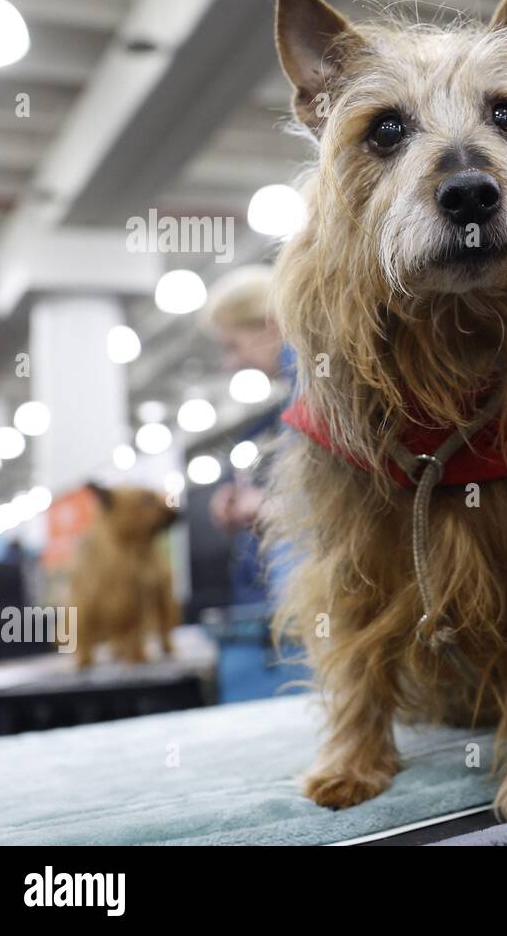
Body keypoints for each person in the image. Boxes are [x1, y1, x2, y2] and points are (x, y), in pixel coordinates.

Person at [200, 265, 301, 700]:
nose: (231, 362)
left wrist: (272, 509)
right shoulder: (294, 391)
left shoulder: (315, 376)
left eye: (233, 345)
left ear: (267, 325)